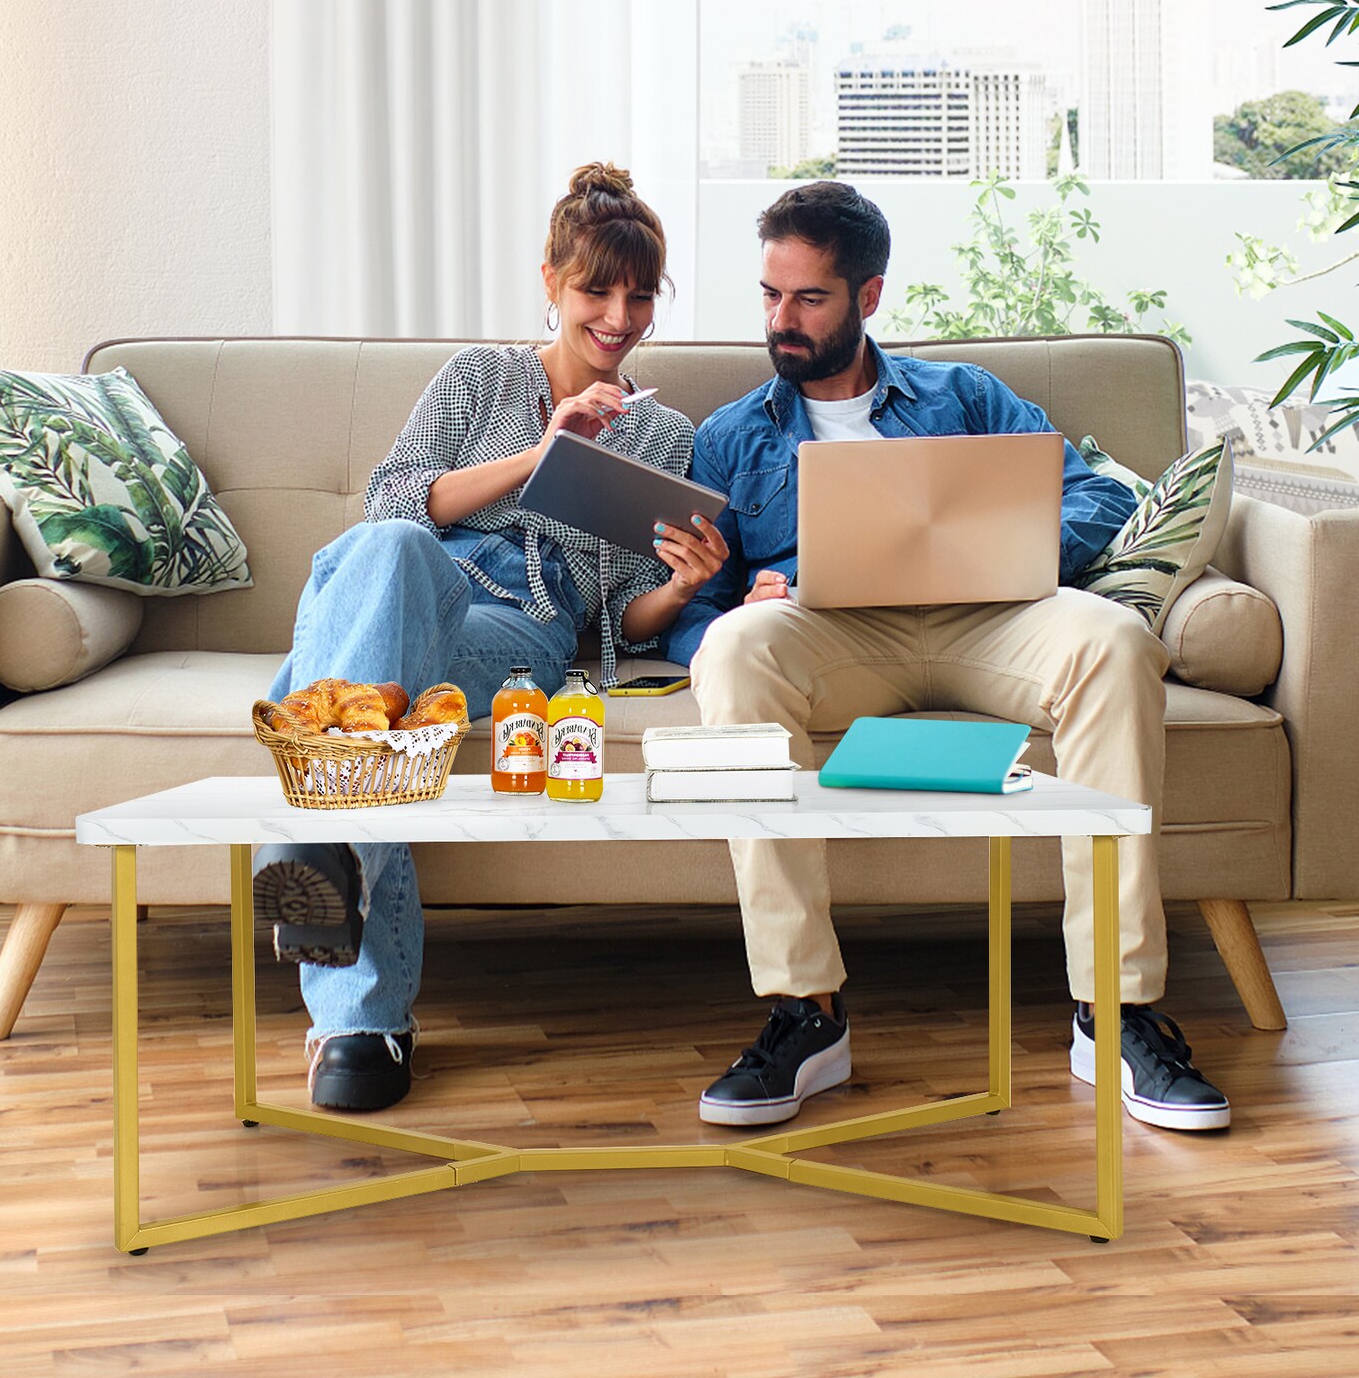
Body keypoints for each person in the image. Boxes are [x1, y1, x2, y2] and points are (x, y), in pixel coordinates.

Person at [663, 181, 1231, 1135]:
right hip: (837, 637)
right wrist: (742, 593)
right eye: (769, 295)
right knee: (730, 650)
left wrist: (994, 548)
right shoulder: (729, 437)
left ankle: (1116, 1010)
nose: (781, 321)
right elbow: (695, 609)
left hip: (989, 619)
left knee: (1117, 640)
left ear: (868, 297)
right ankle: (808, 1011)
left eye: (809, 299)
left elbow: (1090, 497)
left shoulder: (963, 394)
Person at [255, 162, 728, 1112]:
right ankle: (356, 1000)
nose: (619, 316)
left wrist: (680, 588)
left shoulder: (665, 432)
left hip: (519, 629)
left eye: (640, 297)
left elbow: (616, 617)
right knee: (393, 552)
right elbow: (393, 503)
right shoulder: (479, 378)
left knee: (357, 694)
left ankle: (344, 953)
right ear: (550, 281)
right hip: (392, 584)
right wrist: (540, 456)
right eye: (597, 289)